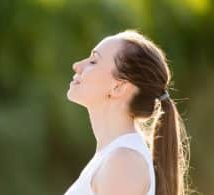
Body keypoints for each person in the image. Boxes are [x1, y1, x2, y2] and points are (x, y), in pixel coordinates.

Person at [65, 29, 191, 195]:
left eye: (94, 61)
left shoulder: (123, 162)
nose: (77, 66)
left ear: (119, 87)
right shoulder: (113, 157)